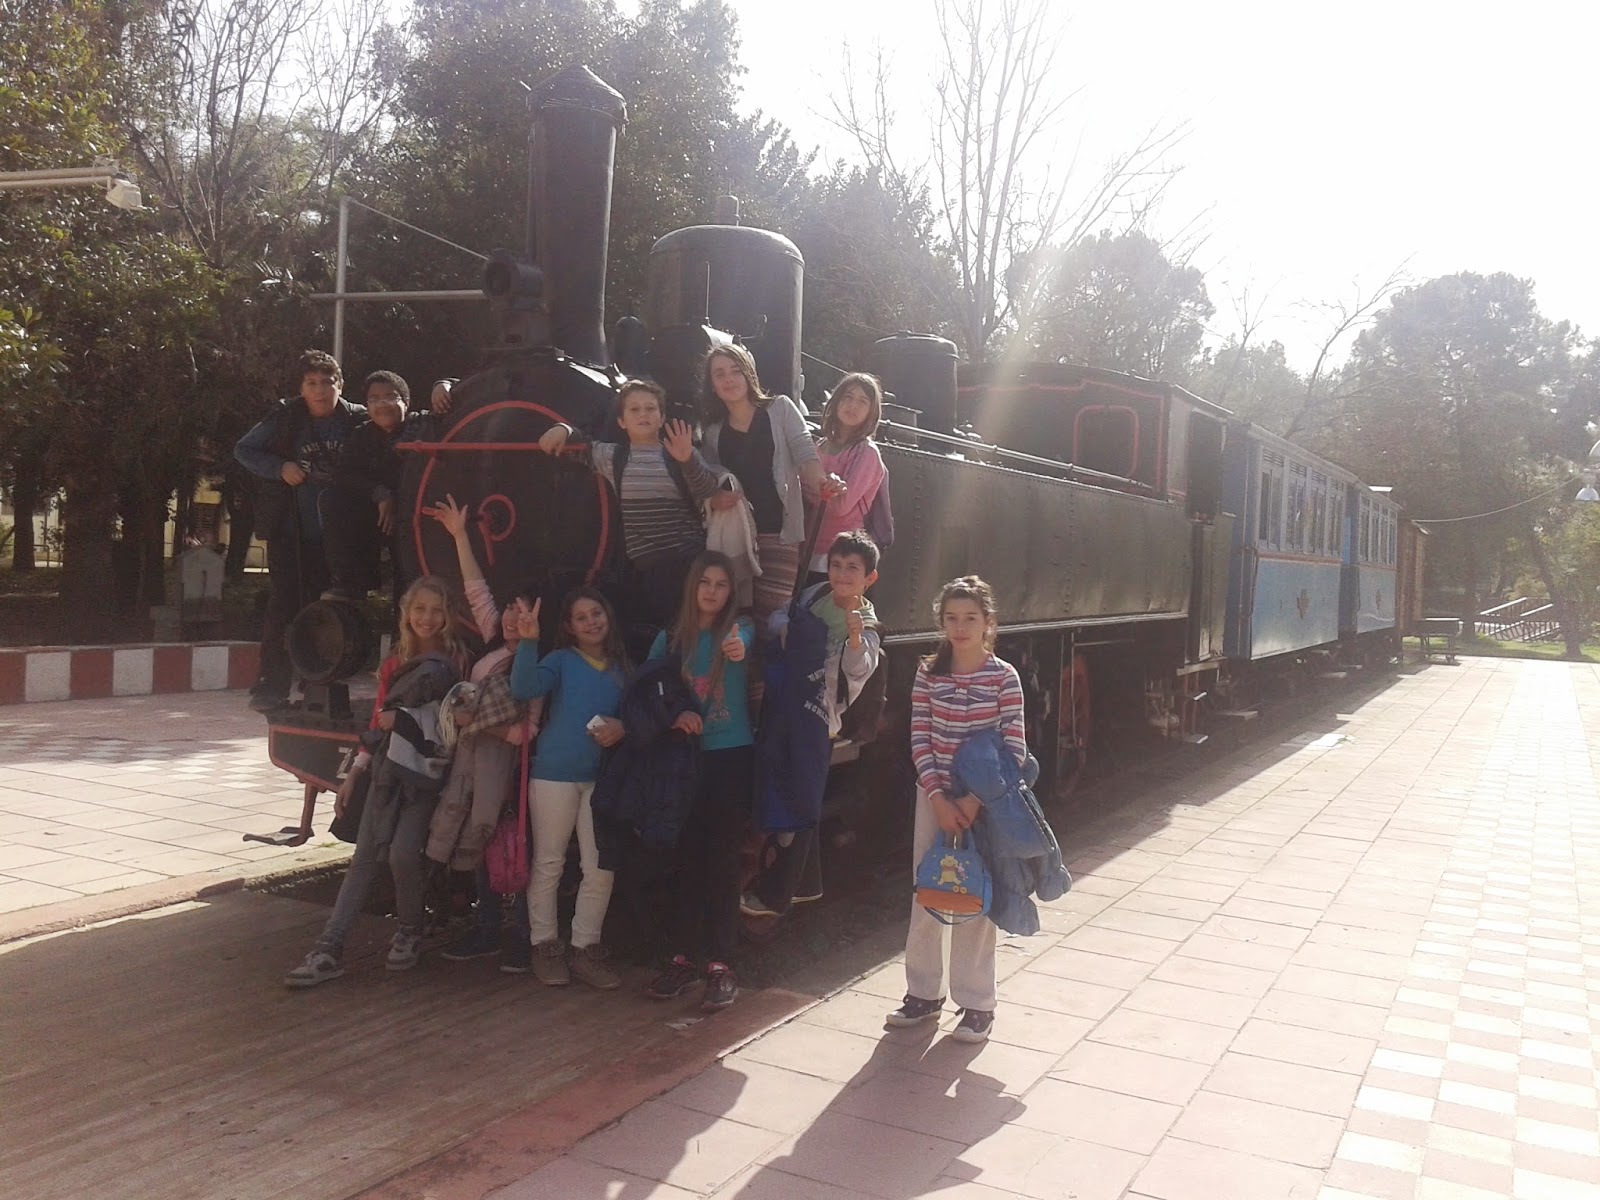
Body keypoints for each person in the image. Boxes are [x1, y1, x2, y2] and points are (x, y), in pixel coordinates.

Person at [284, 576, 471, 987]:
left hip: (426, 774)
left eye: (436, 610)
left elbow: (452, 721)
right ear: (407, 613)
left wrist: (407, 722)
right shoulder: (394, 662)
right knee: (365, 856)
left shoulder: (458, 660)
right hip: (388, 768)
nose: (427, 618)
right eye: (419, 609)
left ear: (447, 616)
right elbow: (376, 723)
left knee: (404, 853)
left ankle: (409, 929)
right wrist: (354, 772)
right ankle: (329, 947)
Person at [886, 575, 1025, 1044]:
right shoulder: (929, 674)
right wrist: (937, 797)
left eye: (970, 618)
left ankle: (977, 1002)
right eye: (951, 618)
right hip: (935, 798)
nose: (960, 628)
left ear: (988, 623)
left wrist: (973, 800)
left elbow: (1015, 749)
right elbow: (919, 737)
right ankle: (923, 993)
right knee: (927, 890)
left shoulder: (1004, 677)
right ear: (941, 623)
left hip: (984, 804)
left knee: (975, 898)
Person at [421, 496, 538, 973]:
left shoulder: (536, 660)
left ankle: (521, 934)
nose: (510, 617)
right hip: (470, 758)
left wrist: (484, 724)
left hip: (506, 767)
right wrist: (459, 535)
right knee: (480, 841)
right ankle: (487, 927)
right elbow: (476, 591)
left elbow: (528, 728)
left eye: (521, 611)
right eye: (509, 608)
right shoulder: (493, 641)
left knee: (511, 842)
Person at [742, 530, 883, 920]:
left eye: (852, 568)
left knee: (800, 801)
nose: (841, 574)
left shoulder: (868, 626)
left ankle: (776, 894)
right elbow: (781, 615)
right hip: (787, 704)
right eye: (836, 565)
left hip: (819, 720)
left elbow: (859, 672)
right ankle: (807, 884)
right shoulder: (815, 594)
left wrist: (854, 638)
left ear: (869, 577)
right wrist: (784, 627)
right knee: (785, 786)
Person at [643, 551, 755, 1011]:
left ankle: (722, 964)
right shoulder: (670, 640)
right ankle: (684, 957)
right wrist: (674, 715)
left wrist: (739, 647)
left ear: (731, 592)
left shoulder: (739, 630)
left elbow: (745, 645)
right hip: (684, 759)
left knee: (722, 861)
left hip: (729, 756)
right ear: (693, 587)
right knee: (686, 858)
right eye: (705, 582)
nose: (711, 591)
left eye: (721, 584)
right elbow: (648, 693)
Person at [510, 587, 631, 989]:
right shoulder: (560, 660)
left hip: (601, 779)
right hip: (554, 776)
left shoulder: (623, 669)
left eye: (596, 613)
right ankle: (544, 945)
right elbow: (523, 688)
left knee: (600, 867)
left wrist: (623, 727)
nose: (591, 622)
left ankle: (584, 948)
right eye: (581, 617)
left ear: (608, 616)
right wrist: (528, 641)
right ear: (569, 627)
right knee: (549, 863)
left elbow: (634, 717)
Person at [234, 349, 366, 711]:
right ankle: (271, 684)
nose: (320, 390)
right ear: (301, 388)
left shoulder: (357, 419)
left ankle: (319, 681)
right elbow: (244, 449)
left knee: (332, 611)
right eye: (312, 383)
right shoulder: (286, 417)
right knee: (283, 609)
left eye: (327, 382)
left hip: (340, 540)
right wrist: (279, 468)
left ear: (340, 385)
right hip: (291, 535)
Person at [538, 379, 721, 631]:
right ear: (621, 421)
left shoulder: (678, 453)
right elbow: (581, 447)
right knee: (671, 630)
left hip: (689, 559)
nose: (643, 414)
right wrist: (564, 429)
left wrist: (688, 459)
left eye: (650, 408)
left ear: (661, 417)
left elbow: (708, 490)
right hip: (650, 568)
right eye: (634, 409)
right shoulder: (615, 458)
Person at [698, 345, 844, 626]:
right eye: (719, 374)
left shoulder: (781, 409)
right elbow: (709, 481)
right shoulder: (713, 433)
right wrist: (715, 498)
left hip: (779, 532)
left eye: (735, 371)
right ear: (712, 384)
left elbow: (805, 454)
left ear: (749, 374)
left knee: (772, 619)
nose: (729, 379)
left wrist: (822, 482)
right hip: (737, 536)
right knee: (734, 616)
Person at [320, 370, 451, 603]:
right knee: (333, 500)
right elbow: (344, 475)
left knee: (407, 581)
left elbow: (465, 395)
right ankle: (351, 583)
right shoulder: (361, 435)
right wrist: (379, 493)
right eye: (374, 399)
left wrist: (444, 383)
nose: (382, 404)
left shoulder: (424, 424)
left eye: (390, 397)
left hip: (419, 519)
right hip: (378, 517)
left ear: (406, 402)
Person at [808, 374, 889, 583]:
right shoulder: (820, 446)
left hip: (840, 557)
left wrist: (815, 488)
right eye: (848, 397)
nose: (853, 406)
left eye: (863, 401)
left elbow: (841, 506)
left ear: (872, 411)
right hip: (807, 548)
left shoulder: (867, 453)